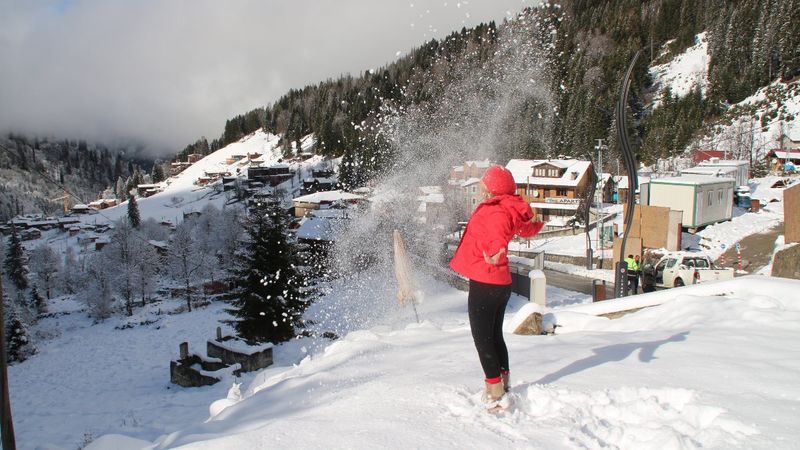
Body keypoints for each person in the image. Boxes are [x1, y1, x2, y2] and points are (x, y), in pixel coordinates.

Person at [449, 165, 544, 410]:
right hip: (499, 283)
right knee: (494, 336)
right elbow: (524, 228)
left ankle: (494, 392)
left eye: (484, 184)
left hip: (486, 281)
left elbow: (496, 236)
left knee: (482, 338)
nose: (481, 188)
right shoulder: (509, 207)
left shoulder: (496, 211)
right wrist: (535, 225)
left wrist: (495, 252)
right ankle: (503, 381)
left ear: (492, 188)